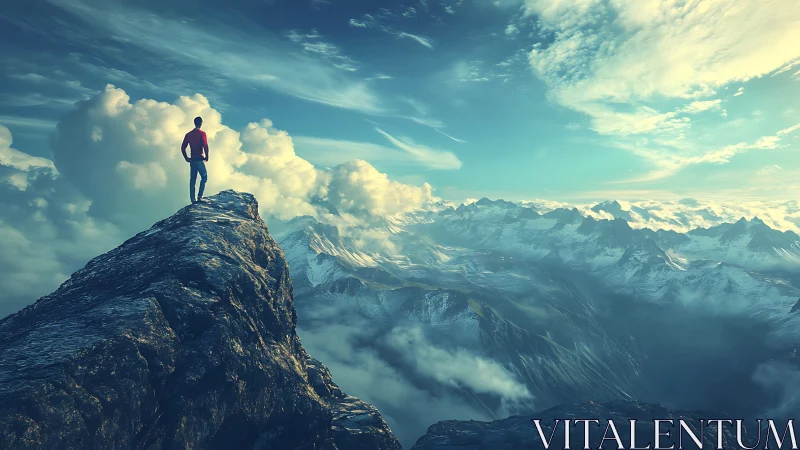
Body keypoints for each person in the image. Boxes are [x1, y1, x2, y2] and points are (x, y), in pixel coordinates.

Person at [181, 116, 210, 204]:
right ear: (201, 123)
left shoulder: (188, 134)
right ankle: (200, 196)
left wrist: (186, 158)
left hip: (192, 160)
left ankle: (193, 199)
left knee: (193, 179)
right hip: (199, 159)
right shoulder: (202, 133)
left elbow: (183, 147)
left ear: (194, 123)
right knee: (204, 177)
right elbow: (205, 145)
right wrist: (207, 156)